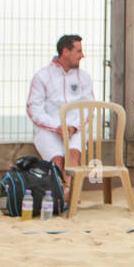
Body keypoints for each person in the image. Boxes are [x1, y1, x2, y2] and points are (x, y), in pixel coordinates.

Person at [27, 34, 96, 197]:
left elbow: (89, 108)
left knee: (73, 154)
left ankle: (68, 194)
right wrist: (56, 127)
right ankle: (60, 194)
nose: (82, 55)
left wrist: (73, 127)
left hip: (75, 129)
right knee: (57, 159)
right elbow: (33, 109)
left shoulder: (84, 77)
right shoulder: (42, 76)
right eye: (79, 51)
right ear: (65, 52)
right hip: (49, 130)